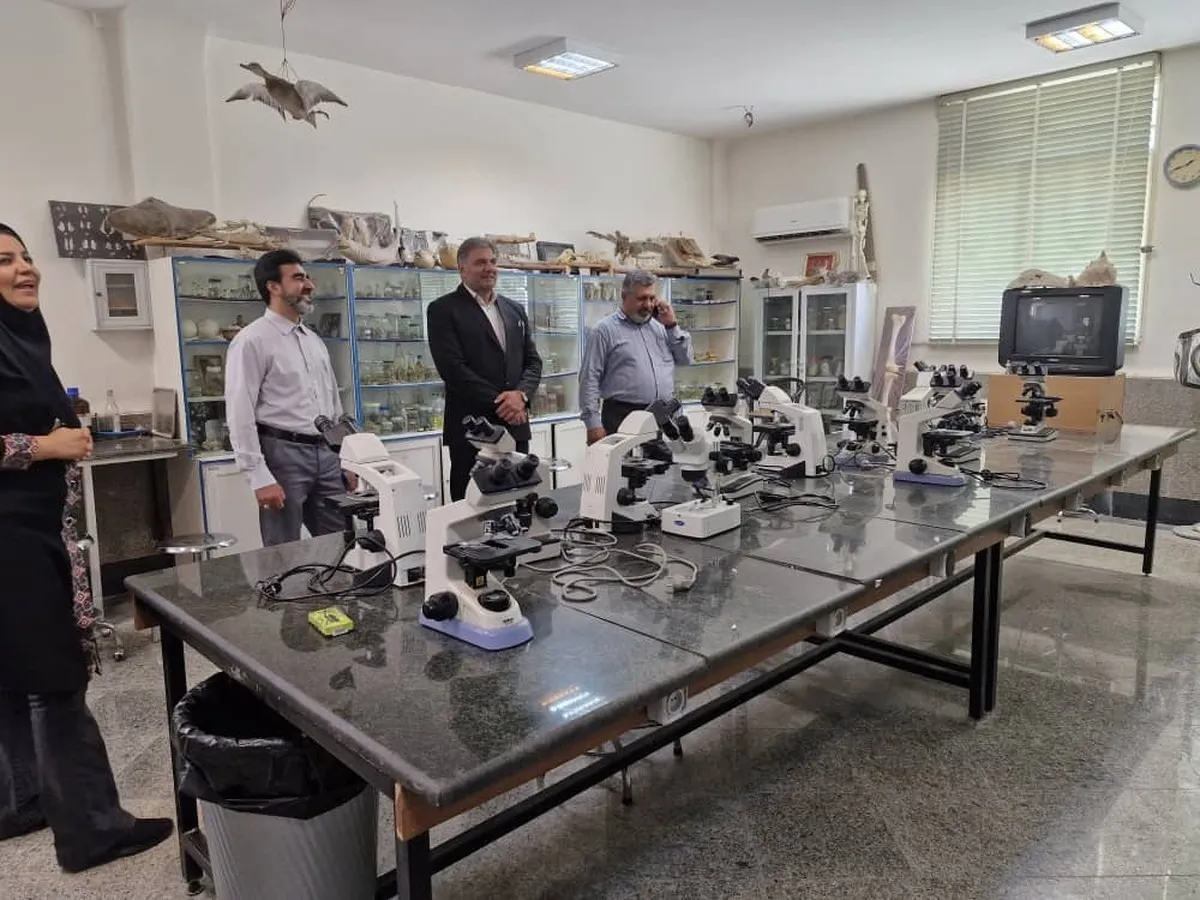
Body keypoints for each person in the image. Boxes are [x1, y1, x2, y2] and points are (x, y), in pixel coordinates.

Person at [0, 224, 173, 872]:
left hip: (29, 529)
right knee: (55, 680)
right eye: (4, 261)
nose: (26, 269)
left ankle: (21, 801)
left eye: (26, 256)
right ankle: (92, 830)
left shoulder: (20, 338)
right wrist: (47, 445)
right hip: (13, 540)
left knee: (12, 679)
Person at [224, 249, 349, 546]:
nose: (309, 285)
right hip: (282, 456)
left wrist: (347, 457)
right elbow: (240, 412)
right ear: (273, 287)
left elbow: (333, 403)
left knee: (342, 545)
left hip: (327, 453)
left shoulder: (313, 340)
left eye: (307, 277)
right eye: (298, 278)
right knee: (283, 550)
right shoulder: (251, 341)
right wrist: (258, 476)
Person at [427, 237, 542, 500]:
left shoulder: (514, 310)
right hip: (473, 431)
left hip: (516, 427)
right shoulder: (443, 310)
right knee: (471, 506)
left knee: (518, 500)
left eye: (492, 261)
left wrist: (521, 396)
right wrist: (503, 403)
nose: (489, 268)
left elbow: (533, 362)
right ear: (462, 269)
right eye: (480, 262)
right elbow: (453, 369)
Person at [579, 270, 693, 444]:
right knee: (627, 462)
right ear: (624, 296)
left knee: (667, 461)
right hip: (623, 416)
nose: (648, 305)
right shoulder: (604, 331)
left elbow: (685, 360)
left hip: (664, 416)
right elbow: (589, 378)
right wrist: (593, 424)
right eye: (641, 298)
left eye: (652, 298)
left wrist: (671, 325)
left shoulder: (661, 327)